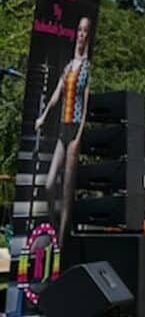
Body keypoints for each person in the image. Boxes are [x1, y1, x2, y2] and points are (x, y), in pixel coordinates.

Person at [33, 16, 92, 241]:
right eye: (79, 30)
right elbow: (57, 94)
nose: (81, 34)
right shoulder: (69, 66)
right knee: (49, 184)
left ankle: (62, 239)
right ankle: (55, 225)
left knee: (67, 190)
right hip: (62, 128)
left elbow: (85, 104)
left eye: (85, 31)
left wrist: (79, 134)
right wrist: (44, 116)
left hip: (75, 127)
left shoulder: (87, 67)